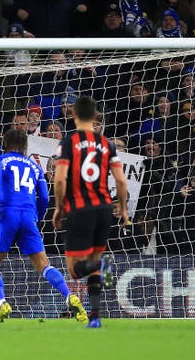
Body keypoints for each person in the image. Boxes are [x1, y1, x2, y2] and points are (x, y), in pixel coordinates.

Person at [0, 129, 87, 323]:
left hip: (7, 214)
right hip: (29, 217)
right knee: (43, 265)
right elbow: (46, 197)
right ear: (24, 146)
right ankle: (69, 296)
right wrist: (37, 218)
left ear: (5, 144)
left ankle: (1, 303)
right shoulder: (34, 165)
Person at [52, 96, 129, 328]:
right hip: (104, 208)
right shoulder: (108, 144)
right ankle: (95, 316)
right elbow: (121, 181)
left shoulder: (69, 142)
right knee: (95, 258)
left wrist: (59, 206)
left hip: (80, 208)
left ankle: (101, 265)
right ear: (95, 117)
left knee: (76, 270)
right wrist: (123, 208)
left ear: (73, 115)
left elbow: (59, 178)